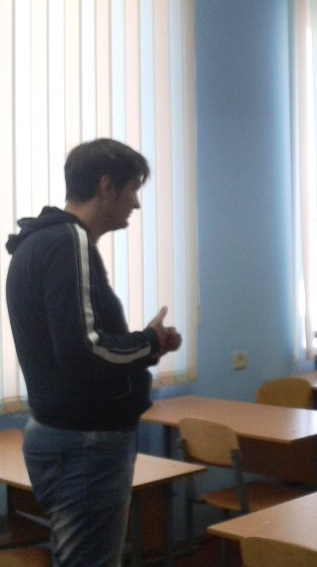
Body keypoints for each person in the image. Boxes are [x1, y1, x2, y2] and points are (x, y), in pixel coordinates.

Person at [5, 138, 182, 566]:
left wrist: (145, 347)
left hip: (60, 432)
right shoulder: (68, 241)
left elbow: (75, 346)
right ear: (107, 186)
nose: (136, 203)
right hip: (84, 440)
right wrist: (149, 341)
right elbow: (84, 351)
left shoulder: (36, 243)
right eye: (133, 188)